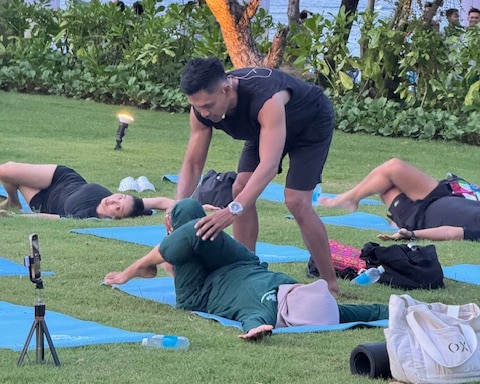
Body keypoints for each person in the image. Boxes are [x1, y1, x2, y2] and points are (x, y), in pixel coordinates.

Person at [105, 199, 388, 340]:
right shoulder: (331, 311)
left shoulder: (265, 310)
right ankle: (172, 255)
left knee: (191, 231)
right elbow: (372, 312)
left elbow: (255, 322)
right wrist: (405, 306)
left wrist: (257, 330)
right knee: (190, 209)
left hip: (200, 291)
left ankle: (144, 266)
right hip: (240, 264)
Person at [172, 57, 338, 295]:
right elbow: (193, 163)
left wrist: (232, 210)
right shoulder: (201, 109)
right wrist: (178, 207)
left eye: (208, 105)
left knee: (296, 201)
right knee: (240, 187)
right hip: (262, 129)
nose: (204, 113)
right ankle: (245, 271)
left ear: (226, 89)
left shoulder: (266, 98)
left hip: (309, 124)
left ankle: (329, 283)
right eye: (197, 107)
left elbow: (269, 165)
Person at [319, 158, 480, 241]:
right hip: (444, 194)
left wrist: (412, 234)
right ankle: (352, 198)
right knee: (393, 167)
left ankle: (351, 199)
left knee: (386, 186)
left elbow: (452, 232)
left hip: (419, 217)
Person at [0, 161, 174, 219]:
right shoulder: (133, 204)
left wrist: (14, 217)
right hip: (62, 177)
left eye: (118, 207)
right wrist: (175, 212)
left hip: (43, 200)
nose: (113, 200)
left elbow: (50, 218)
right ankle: (13, 200)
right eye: (120, 197)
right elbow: (162, 202)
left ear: (115, 218)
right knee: (6, 169)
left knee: (9, 176)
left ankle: (13, 205)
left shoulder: (87, 216)